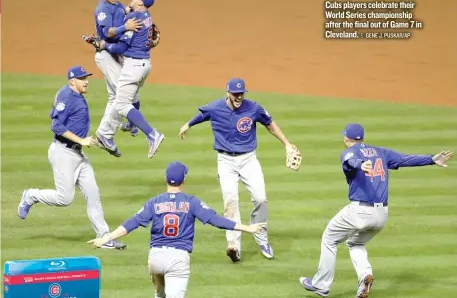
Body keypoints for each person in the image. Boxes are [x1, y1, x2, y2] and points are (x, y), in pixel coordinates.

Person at [299, 123, 454, 298]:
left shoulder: (349, 152)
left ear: (346, 138)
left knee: (329, 238)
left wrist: (360, 164)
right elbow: (405, 159)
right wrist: (432, 159)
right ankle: (365, 277)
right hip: (381, 216)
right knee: (355, 243)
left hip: (360, 211)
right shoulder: (381, 152)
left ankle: (321, 285)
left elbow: (350, 160)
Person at [87, 161, 265, 298]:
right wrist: (247, 228)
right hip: (178, 259)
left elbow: (131, 224)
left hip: (155, 258)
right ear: (184, 180)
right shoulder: (191, 202)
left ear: (166, 179)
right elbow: (217, 220)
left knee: (159, 294)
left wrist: (106, 238)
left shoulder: (154, 202)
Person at [178, 78, 300, 262]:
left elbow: (270, 124)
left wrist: (287, 144)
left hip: (248, 159)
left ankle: (261, 236)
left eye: (241, 93)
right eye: (235, 94)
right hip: (225, 160)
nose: (239, 97)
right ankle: (233, 245)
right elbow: (202, 115)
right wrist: (187, 125)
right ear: (227, 92)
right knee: (230, 201)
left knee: (260, 198)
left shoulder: (253, 108)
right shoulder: (215, 107)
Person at [17, 65, 126, 250]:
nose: (86, 81)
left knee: (93, 193)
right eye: (82, 78)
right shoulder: (67, 96)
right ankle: (31, 196)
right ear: (72, 81)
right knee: (64, 199)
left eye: (87, 78)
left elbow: (76, 126)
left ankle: (104, 237)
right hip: (63, 153)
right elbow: (56, 126)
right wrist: (81, 140)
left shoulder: (76, 96)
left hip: (78, 154)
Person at [94, 0, 164, 159]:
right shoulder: (146, 16)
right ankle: (131, 125)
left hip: (133, 65)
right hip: (145, 64)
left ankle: (152, 134)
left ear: (140, 1)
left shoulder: (134, 17)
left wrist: (104, 45)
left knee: (122, 103)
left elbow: (122, 47)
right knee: (128, 98)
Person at [91, 0, 144, 157]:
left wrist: (135, 12)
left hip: (116, 54)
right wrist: (125, 27)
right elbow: (107, 33)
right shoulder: (102, 10)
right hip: (106, 55)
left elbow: (127, 14)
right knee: (123, 93)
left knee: (117, 95)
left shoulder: (118, 5)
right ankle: (105, 134)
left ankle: (121, 126)